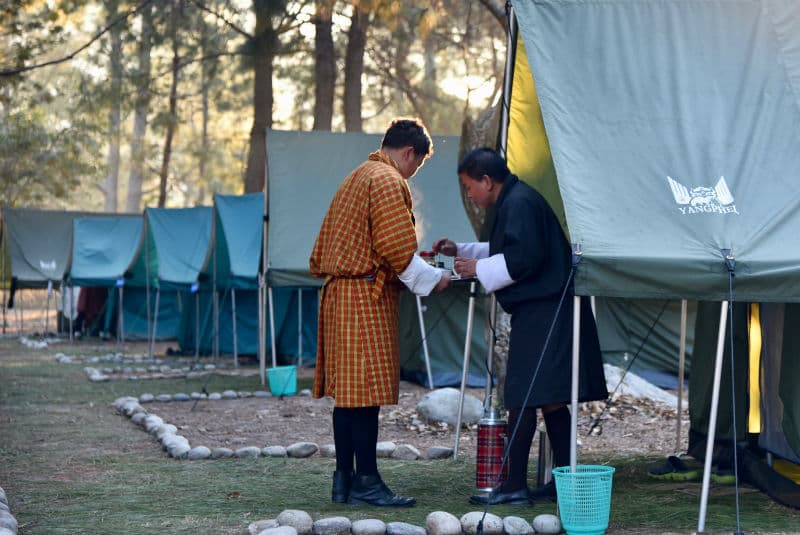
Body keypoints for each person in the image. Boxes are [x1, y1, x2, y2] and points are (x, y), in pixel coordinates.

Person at [433, 147, 608, 506]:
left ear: (487, 181)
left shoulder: (519, 202)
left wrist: (474, 269)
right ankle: (566, 483)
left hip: (546, 311)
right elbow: (512, 248)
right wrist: (460, 250)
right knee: (552, 401)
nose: (469, 194)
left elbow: (524, 258)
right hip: (548, 310)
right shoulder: (515, 198)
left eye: (469, 187)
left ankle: (514, 485)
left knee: (524, 396)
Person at [309, 118, 451, 507]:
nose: (414, 172)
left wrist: (413, 266)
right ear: (408, 153)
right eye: (417, 165)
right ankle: (367, 481)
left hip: (342, 292)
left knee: (349, 395)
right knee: (365, 392)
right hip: (362, 297)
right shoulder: (388, 180)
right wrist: (433, 278)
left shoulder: (358, 175)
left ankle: (344, 479)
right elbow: (395, 250)